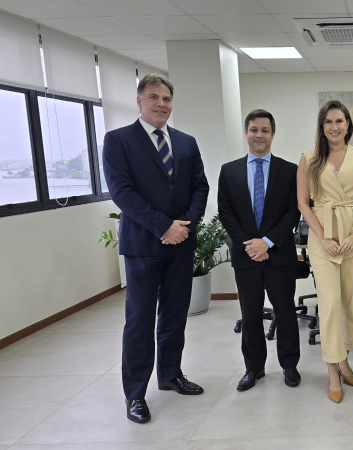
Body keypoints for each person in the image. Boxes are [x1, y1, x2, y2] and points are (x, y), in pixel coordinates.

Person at [103, 74, 209, 424]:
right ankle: (135, 394)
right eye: (153, 97)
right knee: (140, 319)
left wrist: (183, 226)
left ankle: (170, 374)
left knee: (175, 314)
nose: (161, 103)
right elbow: (122, 192)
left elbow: (200, 187)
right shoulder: (118, 141)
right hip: (143, 245)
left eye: (166, 98)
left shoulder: (186, 142)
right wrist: (163, 226)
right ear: (139, 101)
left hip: (181, 244)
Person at [297, 100, 353, 403]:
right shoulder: (309, 158)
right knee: (329, 304)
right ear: (322, 125)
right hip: (323, 238)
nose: (334, 127)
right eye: (329, 121)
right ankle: (332, 369)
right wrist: (323, 237)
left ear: (348, 124)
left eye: (340, 121)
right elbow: (304, 203)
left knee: (349, 303)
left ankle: (344, 358)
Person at [218, 109, 302, 392]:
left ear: (273, 134)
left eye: (265, 130)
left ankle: (289, 365)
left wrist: (267, 242)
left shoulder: (290, 170)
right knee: (250, 314)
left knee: (286, 312)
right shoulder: (229, 171)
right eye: (254, 129)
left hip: (279, 255)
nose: (259, 135)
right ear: (246, 133)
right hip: (246, 257)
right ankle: (254, 368)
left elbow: (293, 212)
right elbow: (226, 213)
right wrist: (251, 245)